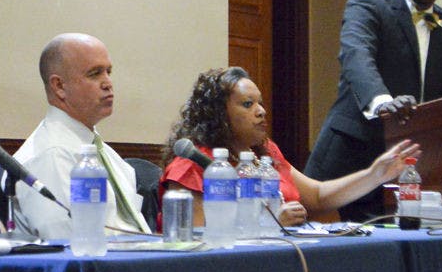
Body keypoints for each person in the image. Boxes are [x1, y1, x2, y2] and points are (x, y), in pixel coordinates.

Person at [304, 0, 442, 220]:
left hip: (405, 159)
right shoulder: (369, 5)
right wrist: (383, 102)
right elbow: (357, 56)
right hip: (352, 147)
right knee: (308, 224)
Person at [162, 67, 420, 227]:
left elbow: (319, 196)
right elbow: (196, 236)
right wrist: (267, 224)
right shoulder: (192, 163)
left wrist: (376, 174)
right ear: (218, 113)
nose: (262, 111)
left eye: (260, 103)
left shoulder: (265, 153)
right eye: (248, 104)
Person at [12, 33, 150, 239]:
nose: (108, 83)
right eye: (94, 74)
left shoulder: (98, 149)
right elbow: (69, 243)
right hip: (101, 267)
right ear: (59, 86)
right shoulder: (51, 155)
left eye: (108, 72)